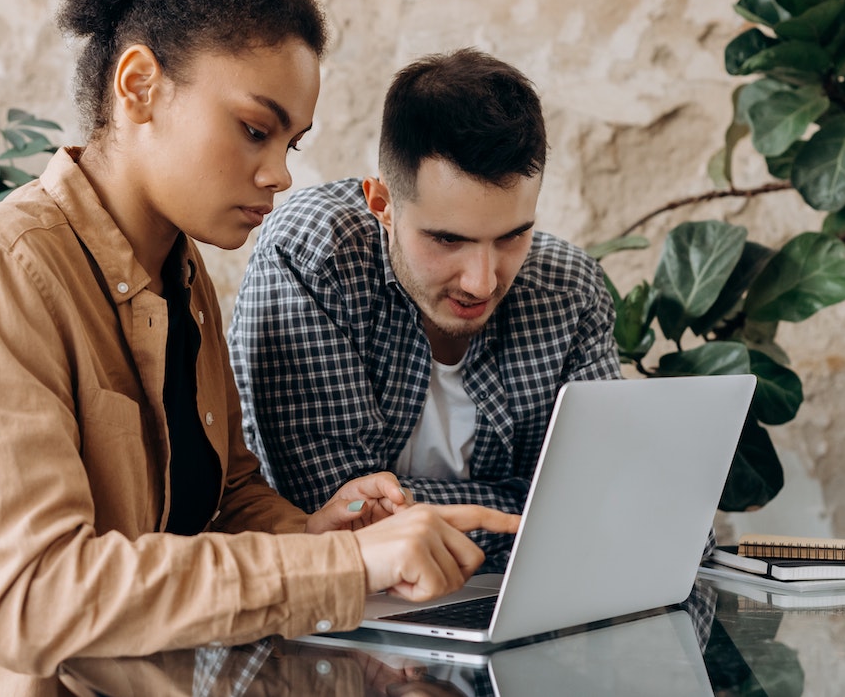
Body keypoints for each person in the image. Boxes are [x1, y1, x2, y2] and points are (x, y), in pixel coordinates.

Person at [0, 0, 517, 695]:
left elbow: (222, 499)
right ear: (138, 86)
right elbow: (29, 597)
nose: (280, 174)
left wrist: (326, 530)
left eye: (293, 141)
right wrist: (339, 567)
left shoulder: (182, 275)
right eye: (254, 129)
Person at [228, 48, 623, 570]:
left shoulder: (571, 291)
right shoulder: (312, 254)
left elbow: (616, 512)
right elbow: (333, 513)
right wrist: (533, 511)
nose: (482, 281)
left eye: (513, 236)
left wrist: (412, 514)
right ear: (382, 204)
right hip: (335, 627)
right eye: (446, 239)